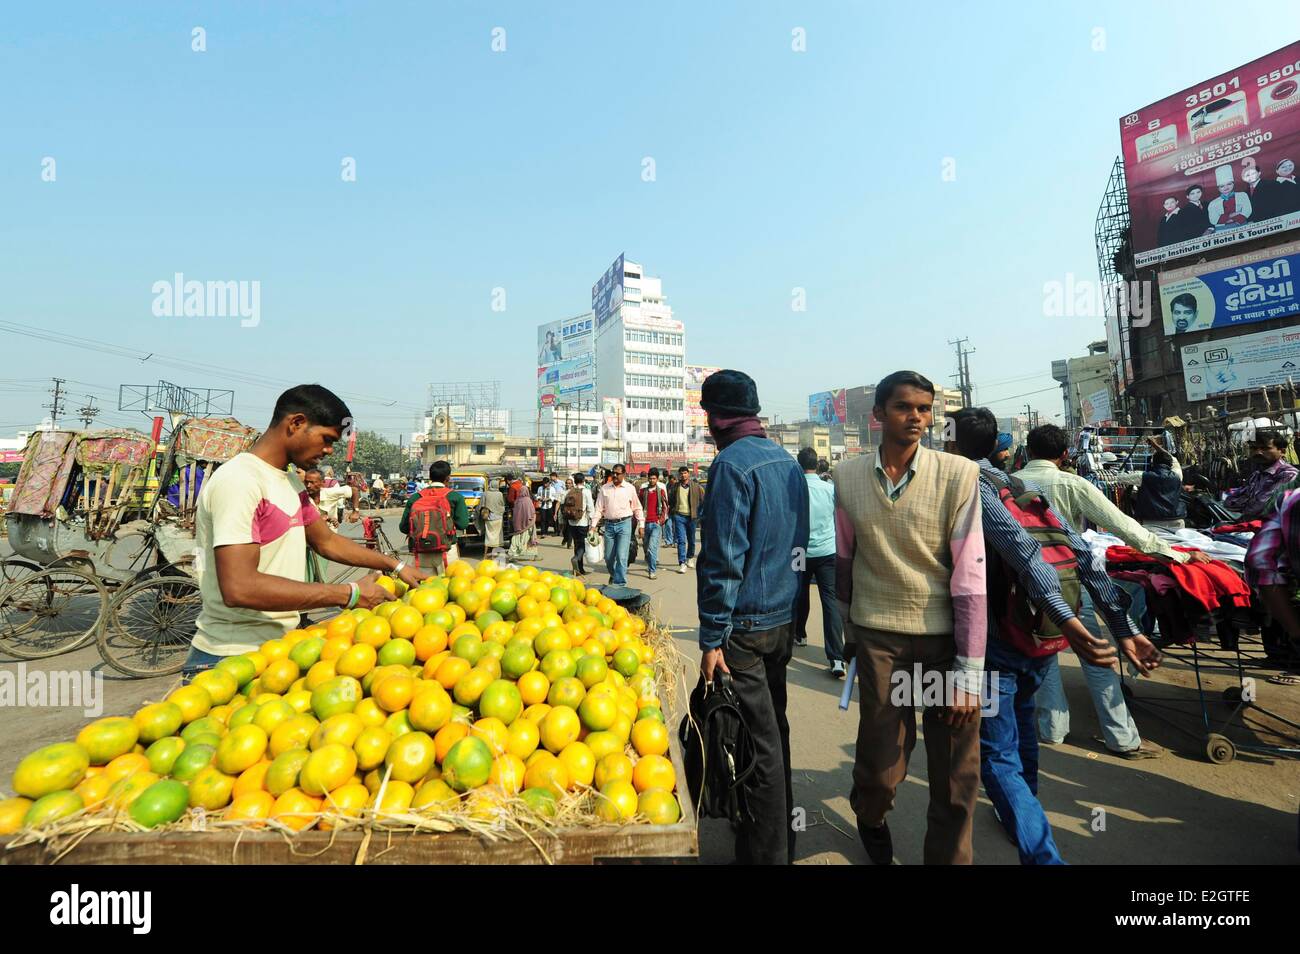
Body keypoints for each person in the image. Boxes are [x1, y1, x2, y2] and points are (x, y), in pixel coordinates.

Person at [952, 408, 1152, 864]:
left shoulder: (969, 490)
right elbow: (1080, 554)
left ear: (950, 446)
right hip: (1036, 639)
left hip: (996, 639)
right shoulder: (1023, 488)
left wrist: (1067, 619)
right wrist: (1123, 627)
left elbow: (1026, 555)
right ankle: (1026, 812)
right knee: (1023, 724)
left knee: (997, 755)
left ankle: (1042, 854)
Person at [834, 370, 984, 866]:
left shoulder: (959, 475)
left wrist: (969, 672)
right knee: (881, 768)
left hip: (946, 643)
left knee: (955, 775)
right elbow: (844, 561)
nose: (916, 417)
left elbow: (970, 578)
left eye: (924, 408)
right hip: (881, 640)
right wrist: (850, 633)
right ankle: (870, 815)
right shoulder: (847, 477)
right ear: (877, 415)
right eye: (904, 407)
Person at [185, 385, 427, 675]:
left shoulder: (289, 482)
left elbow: (326, 542)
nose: (328, 451)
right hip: (230, 659)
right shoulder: (241, 481)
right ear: (296, 423)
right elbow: (239, 587)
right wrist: (349, 594)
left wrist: (396, 565)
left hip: (278, 653)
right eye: (327, 439)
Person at [1013, 425, 1209, 759]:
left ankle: (1052, 729)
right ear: (1064, 455)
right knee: (1096, 656)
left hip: (1028, 584)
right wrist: (1175, 554)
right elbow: (1124, 525)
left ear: (1028, 451)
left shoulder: (1009, 484)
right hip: (1070, 581)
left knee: (1044, 652)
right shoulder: (1073, 483)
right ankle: (1121, 738)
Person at [696, 369, 808, 865]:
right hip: (782, 620)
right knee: (773, 731)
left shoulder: (730, 467)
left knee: (757, 743)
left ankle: (767, 853)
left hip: (743, 629)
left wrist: (711, 638)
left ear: (713, 418)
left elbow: (723, 560)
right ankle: (779, 835)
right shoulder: (787, 462)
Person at [793, 447, 845, 676]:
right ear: (817, 465)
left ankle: (800, 634)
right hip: (827, 550)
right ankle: (836, 658)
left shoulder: (793, 489)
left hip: (798, 551)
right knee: (830, 601)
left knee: (798, 593)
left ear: (798, 464)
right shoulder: (829, 489)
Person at [1246, 488, 1300, 685]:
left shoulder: (1290, 498)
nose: (1257, 453)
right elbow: (1263, 564)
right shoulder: (1289, 501)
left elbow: (1261, 562)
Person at [399, 460, 471, 571]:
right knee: (449, 586)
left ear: (430, 477)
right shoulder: (455, 497)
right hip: (447, 551)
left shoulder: (415, 498)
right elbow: (463, 524)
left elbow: (403, 528)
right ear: (448, 478)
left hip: (422, 552)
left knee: (424, 586)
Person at [1224, 431, 1299, 519]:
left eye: (1265, 448)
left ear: (1282, 451)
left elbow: (1262, 507)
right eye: (1254, 448)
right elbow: (1232, 498)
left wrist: (1243, 504)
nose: (1258, 452)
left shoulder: (1288, 475)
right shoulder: (1256, 475)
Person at [594, 463, 642, 586]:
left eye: (617, 473)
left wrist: (641, 524)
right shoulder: (605, 488)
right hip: (609, 526)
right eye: (613, 473)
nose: (614, 475)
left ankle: (620, 584)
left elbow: (637, 507)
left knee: (621, 556)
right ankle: (614, 575)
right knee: (608, 558)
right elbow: (598, 508)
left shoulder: (630, 488)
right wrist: (593, 525)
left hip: (624, 524)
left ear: (624, 474)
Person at [670, 465, 704, 573]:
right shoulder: (675, 487)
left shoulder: (696, 486)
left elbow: (703, 500)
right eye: (681, 473)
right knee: (681, 540)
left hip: (692, 517)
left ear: (688, 474)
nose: (683, 475)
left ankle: (690, 558)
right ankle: (682, 562)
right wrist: (673, 511)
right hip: (679, 516)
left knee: (692, 540)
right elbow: (671, 500)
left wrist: (700, 514)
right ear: (679, 475)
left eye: (685, 473)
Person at [638, 468, 669, 580]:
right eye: (650, 478)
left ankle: (652, 570)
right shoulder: (642, 491)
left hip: (656, 524)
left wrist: (660, 521)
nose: (652, 480)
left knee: (652, 548)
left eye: (654, 478)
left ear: (657, 479)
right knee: (646, 549)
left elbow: (666, 507)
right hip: (645, 524)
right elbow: (638, 507)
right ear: (648, 479)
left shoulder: (661, 491)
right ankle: (650, 562)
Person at [563, 472, 595, 576]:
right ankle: (576, 559)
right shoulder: (586, 491)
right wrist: (593, 522)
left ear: (574, 481)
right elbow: (590, 508)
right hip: (583, 522)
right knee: (583, 546)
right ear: (583, 480)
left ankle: (579, 570)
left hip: (571, 522)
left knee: (577, 545)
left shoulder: (569, 491)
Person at [1207, 163, 1251, 231]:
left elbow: (1247, 211)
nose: (1226, 187)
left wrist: (1225, 218)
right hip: (1222, 230)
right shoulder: (1213, 203)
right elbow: (1213, 220)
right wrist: (1232, 215)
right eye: (1222, 186)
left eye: (1229, 184)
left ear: (1233, 184)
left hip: (1242, 225)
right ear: (1218, 188)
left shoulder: (1243, 195)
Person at [508, 484, 539, 561]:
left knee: (516, 540)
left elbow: (515, 514)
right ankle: (534, 555)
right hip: (528, 524)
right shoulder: (528, 500)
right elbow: (532, 512)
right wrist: (532, 520)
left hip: (518, 525)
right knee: (529, 539)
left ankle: (511, 555)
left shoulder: (517, 501)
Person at [479, 479, 507, 551]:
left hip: (488, 517)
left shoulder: (485, 493)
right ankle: (497, 551)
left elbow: (481, 505)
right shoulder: (500, 494)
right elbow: (502, 504)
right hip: (498, 517)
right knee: (498, 535)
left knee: (489, 534)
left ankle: (488, 549)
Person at [661, 472, 677, 547]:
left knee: (676, 527)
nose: (671, 482)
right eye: (670, 480)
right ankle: (669, 541)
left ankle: (676, 541)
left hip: (676, 509)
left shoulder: (678, 487)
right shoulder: (667, 486)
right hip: (668, 509)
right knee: (668, 525)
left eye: (672, 480)